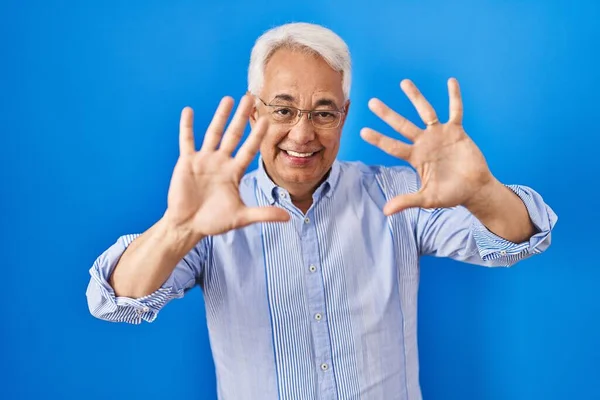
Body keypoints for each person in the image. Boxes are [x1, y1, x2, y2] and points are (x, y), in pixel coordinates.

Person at [86, 22, 557, 400]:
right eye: (283, 110)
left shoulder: (401, 196)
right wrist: (178, 228)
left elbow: (518, 239)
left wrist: (480, 192)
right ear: (254, 114)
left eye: (323, 112)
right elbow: (115, 301)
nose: (302, 133)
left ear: (344, 116)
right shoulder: (213, 217)